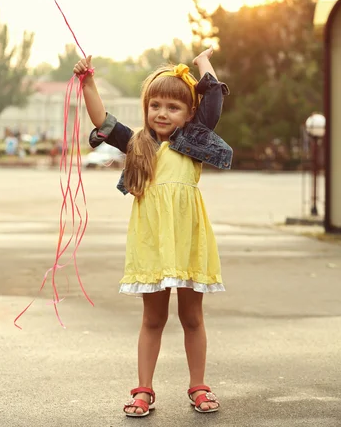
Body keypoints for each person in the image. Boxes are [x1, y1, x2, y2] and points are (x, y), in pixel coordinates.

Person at [73, 47, 232, 417]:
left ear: (190, 113)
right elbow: (102, 119)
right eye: (155, 104)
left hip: (189, 240)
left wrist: (202, 63)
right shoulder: (137, 143)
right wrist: (88, 81)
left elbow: (212, 101)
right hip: (152, 243)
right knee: (153, 319)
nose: (162, 112)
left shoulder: (194, 141)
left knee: (192, 318)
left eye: (173, 107)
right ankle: (143, 389)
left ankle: (198, 386)